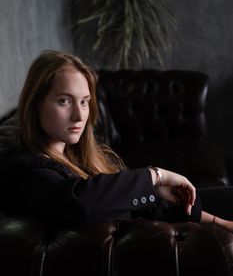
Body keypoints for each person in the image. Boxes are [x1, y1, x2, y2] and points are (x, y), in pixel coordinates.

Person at [0, 49, 232, 231]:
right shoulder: (27, 169)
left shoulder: (78, 155)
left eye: (84, 101)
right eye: (64, 101)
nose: (80, 115)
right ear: (35, 104)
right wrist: (155, 176)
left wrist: (218, 222)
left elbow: (134, 199)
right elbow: (78, 202)